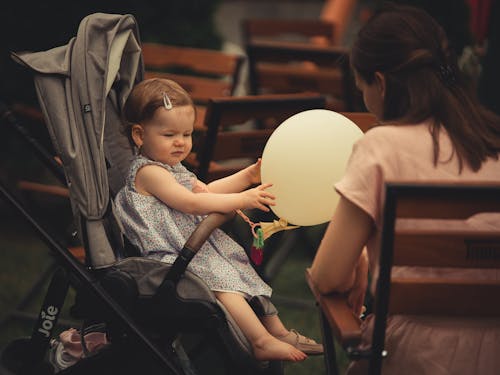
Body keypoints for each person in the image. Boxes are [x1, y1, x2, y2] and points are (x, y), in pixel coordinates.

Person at [309, 4, 500, 374]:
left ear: (380, 83)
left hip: (416, 356)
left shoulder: (381, 147)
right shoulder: (492, 139)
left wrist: (362, 256)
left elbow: (327, 277)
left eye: (361, 86)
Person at [114, 77, 323, 362]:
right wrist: (244, 200)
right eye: (169, 135)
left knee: (236, 265)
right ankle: (260, 340)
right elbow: (191, 202)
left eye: (187, 135)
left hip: (189, 247)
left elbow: (207, 191)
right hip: (169, 257)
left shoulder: (172, 168)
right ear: (139, 135)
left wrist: (247, 177)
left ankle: (277, 330)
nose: (180, 143)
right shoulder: (149, 173)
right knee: (221, 278)